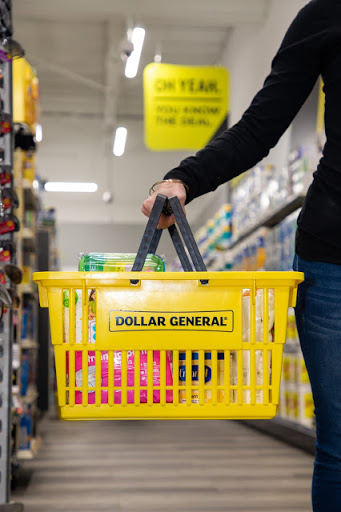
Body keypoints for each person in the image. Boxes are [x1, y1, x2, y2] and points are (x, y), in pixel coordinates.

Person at [141, 1, 341, 510]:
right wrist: (185, 179)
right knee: (340, 445)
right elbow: (259, 126)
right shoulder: (327, 14)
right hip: (334, 260)